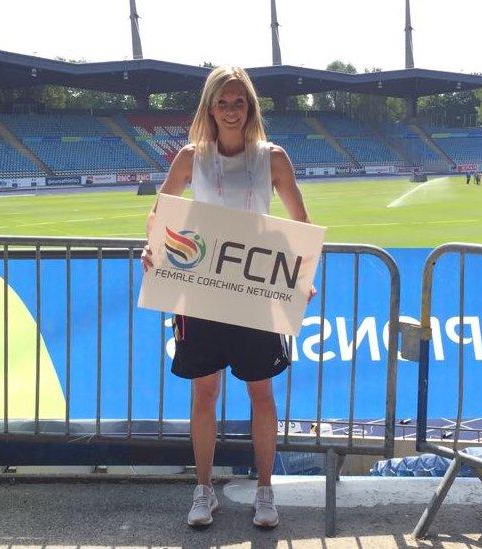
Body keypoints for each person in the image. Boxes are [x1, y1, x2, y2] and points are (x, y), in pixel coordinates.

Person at [140, 66, 312, 529]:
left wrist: (302, 275)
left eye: (239, 102)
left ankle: (264, 491)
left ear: (250, 106)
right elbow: (158, 217)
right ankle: (202, 491)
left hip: (256, 292)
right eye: (223, 102)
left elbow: (299, 224)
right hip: (201, 292)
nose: (232, 110)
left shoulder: (273, 158)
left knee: (261, 393)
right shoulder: (189, 158)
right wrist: (151, 249)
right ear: (209, 108)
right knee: (205, 391)